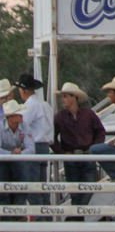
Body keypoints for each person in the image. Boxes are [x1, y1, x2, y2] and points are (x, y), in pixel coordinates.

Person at [52, 82, 106, 206]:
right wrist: (62, 153)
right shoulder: (60, 117)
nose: (63, 99)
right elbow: (52, 137)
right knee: (75, 191)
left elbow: (100, 131)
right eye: (63, 96)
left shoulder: (88, 114)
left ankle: (76, 215)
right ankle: (77, 216)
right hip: (71, 156)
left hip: (87, 154)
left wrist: (94, 148)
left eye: (66, 96)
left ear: (74, 97)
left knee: (90, 186)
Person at [15, 74, 52, 204]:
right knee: (42, 186)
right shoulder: (44, 105)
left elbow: (22, 125)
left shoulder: (29, 106)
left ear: (24, 90)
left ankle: (39, 219)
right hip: (44, 146)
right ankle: (47, 218)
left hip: (34, 146)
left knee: (32, 187)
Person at [0, 100, 35, 208]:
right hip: (3, 163)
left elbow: (31, 148)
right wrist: (12, 153)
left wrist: (18, 154)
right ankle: (7, 215)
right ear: (10, 117)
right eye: (18, 114)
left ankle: (17, 211)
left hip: (17, 161)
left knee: (21, 185)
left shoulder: (24, 126)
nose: (22, 116)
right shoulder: (0, 127)